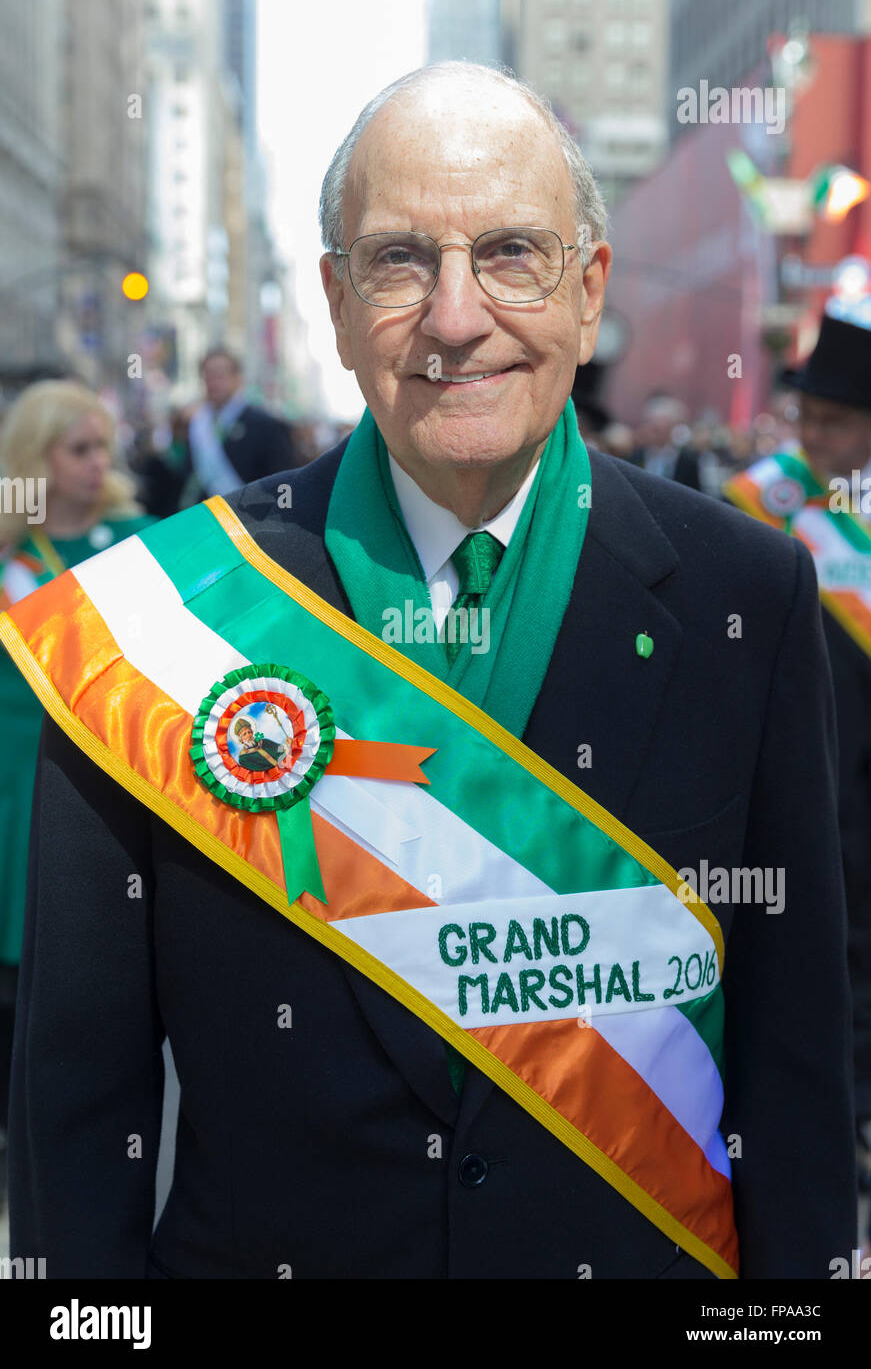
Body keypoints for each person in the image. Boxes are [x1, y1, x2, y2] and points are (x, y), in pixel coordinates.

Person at [2, 63, 855, 1280]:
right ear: (337, 304)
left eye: (512, 253)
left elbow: (794, 1071)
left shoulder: (747, 595)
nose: (457, 317)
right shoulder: (157, 625)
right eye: (401, 261)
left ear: (589, 291)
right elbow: (78, 1111)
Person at [724, 309, 871, 1238]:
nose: (809, 438)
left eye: (832, 422)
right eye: (805, 418)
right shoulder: (772, 511)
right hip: (824, 780)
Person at [0, 379, 156, 1178]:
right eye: (79, 449)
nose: (100, 465)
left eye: (104, 447)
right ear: (35, 459)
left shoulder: (145, 542)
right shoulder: (9, 553)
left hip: (109, 790)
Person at [158, 348, 305, 510]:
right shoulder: (194, 423)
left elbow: (281, 478)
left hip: (251, 520)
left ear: (237, 378)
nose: (213, 382)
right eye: (208, 376)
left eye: (220, 375)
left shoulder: (266, 424)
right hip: (205, 519)